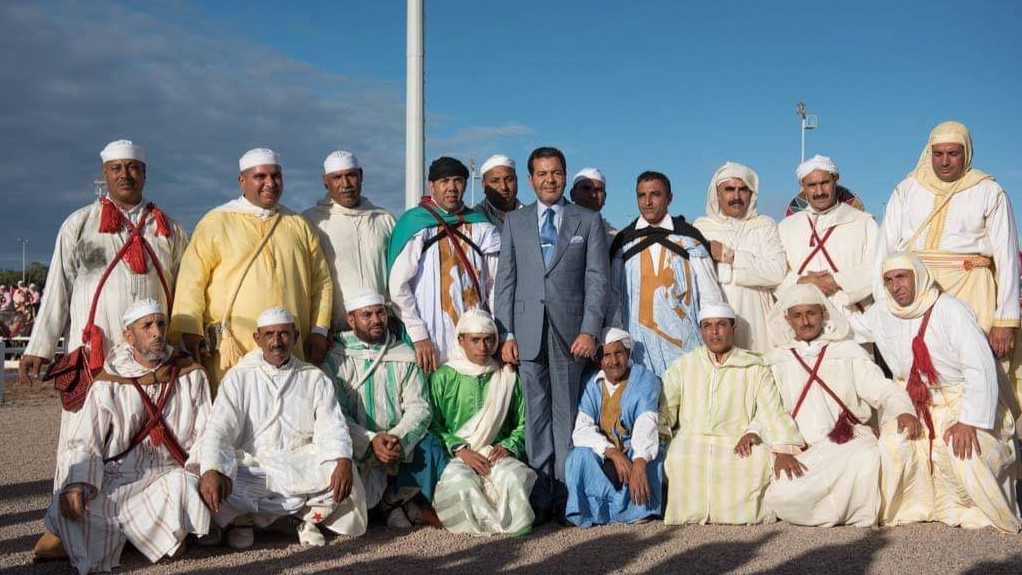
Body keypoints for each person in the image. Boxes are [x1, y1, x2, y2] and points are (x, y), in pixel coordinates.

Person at [21, 140, 189, 560]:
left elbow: (185, 294)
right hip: (96, 352)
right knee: (81, 439)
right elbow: (57, 285)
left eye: (133, 168)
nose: (125, 175)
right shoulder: (79, 224)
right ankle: (63, 525)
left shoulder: (168, 229)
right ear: (104, 173)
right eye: (116, 168)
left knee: (145, 440)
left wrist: (186, 342)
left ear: (145, 173)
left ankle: (147, 522)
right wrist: (40, 345)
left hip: (150, 355)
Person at [852, 252, 1020, 532]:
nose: (896, 286)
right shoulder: (882, 312)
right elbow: (844, 329)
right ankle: (915, 508)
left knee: (963, 450)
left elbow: (980, 368)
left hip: (961, 400)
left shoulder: (951, 310)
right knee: (893, 443)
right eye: (889, 280)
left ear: (918, 276)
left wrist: (968, 420)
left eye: (902, 277)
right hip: (914, 400)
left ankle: (974, 512)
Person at [44, 299, 212, 574]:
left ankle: (150, 534)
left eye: (161, 324)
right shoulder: (109, 381)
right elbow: (86, 441)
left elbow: (207, 432)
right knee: (68, 506)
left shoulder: (189, 375)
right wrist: (77, 483)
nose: (157, 332)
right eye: (147, 326)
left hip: (170, 474)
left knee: (186, 486)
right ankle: (157, 536)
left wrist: (202, 470)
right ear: (128, 335)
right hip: (120, 478)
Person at [493, 146, 610, 524]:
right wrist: (506, 332)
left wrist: (590, 330)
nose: (549, 179)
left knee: (567, 413)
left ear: (564, 175)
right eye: (541, 173)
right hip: (527, 332)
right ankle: (541, 492)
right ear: (530, 179)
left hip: (571, 334)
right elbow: (505, 282)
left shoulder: (587, 221)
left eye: (556, 173)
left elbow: (597, 281)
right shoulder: (516, 222)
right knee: (537, 413)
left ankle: (566, 491)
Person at [874, 121, 1020, 415]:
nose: (944, 161)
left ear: (967, 153)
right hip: (914, 292)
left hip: (972, 288)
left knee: (978, 366)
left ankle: (983, 445)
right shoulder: (907, 188)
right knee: (920, 367)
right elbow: (885, 250)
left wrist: (1005, 320)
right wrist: (883, 304)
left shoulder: (989, 191)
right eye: (937, 153)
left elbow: (1006, 256)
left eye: (953, 153)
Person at [198, 307, 367, 548]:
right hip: (256, 466)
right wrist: (213, 469)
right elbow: (219, 428)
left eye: (284, 334)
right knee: (213, 478)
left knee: (342, 473)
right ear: (258, 338)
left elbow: (333, 426)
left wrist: (341, 460)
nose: (276, 342)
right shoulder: (239, 378)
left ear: (295, 336)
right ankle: (244, 521)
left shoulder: (314, 377)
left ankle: (305, 519)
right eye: (269, 335)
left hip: (300, 463)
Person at [171, 148, 333, 390]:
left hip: (290, 348)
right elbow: (191, 280)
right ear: (242, 181)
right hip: (235, 348)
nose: (270, 183)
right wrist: (190, 329)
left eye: (276, 176)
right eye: (260, 177)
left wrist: (320, 330)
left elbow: (322, 281)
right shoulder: (216, 221)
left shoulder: (298, 224)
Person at [763, 284, 918, 527]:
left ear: (823, 313)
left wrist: (903, 410)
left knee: (867, 457)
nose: (805, 322)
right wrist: (780, 448)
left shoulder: (847, 351)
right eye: (797, 315)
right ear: (787, 319)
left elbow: (882, 389)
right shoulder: (777, 359)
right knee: (781, 493)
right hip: (804, 449)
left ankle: (848, 514)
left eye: (811, 313)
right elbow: (768, 410)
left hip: (848, 443)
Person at [660, 302, 804, 525]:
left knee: (754, 461)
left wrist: (771, 441)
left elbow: (771, 409)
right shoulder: (684, 365)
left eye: (721, 325)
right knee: (678, 457)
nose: (714, 331)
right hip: (692, 438)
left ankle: (737, 517)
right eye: (707, 326)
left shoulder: (754, 366)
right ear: (701, 331)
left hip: (736, 439)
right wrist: (656, 432)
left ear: (733, 329)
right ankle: (691, 514)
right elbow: (666, 408)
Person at [322, 289, 443, 528]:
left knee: (430, 448)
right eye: (367, 315)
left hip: (396, 447)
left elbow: (420, 407)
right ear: (351, 320)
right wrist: (370, 441)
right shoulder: (336, 359)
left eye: (381, 313)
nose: (376, 320)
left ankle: (393, 501)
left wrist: (396, 438)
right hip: (357, 446)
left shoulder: (404, 355)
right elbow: (333, 413)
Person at [387, 156, 500, 372]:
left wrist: (496, 331)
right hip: (430, 337)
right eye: (444, 181)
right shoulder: (415, 224)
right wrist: (418, 334)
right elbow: (398, 286)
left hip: (475, 339)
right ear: (432, 185)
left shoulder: (482, 226)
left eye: (458, 181)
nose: (451, 188)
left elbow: (494, 285)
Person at [429, 310, 534, 535]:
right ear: (460, 340)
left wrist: (509, 445)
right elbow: (432, 424)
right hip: (459, 455)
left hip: (496, 453)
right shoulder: (443, 377)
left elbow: (524, 421)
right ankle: (484, 526)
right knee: (461, 485)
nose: (483, 347)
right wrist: (459, 449)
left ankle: (511, 526)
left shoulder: (507, 375)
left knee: (514, 478)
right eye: (475, 340)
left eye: (489, 340)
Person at [609, 170, 723, 375]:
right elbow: (614, 297)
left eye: (655, 194)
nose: (648, 202)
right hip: (639, 347)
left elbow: (709, 293)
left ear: (669, 198)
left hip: (684, 343)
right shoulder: (624, 242)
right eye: (642, 195)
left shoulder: (689, 238)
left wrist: (714, 336)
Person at [564, 328, 663, 527]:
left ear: (627, 354)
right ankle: (590, 511)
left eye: (618, 353)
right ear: (599, 361)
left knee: (649, 455)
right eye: (606, 356)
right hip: (606, 452)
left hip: (634, 447)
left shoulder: (645, 380)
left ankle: (638, 509)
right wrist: (613, 453)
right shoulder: (591, 383)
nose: (613, 361)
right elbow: (582, 429)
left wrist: (639, 462)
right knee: (578, 456)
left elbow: (646, 424)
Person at [693, 162, 787, 354]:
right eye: (729, 189)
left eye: (743, 189)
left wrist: (730, 257)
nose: (736, 196)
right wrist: (752, 267)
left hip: (757, 318)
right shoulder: (702, 228)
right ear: (718, 194)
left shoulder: (764, 225)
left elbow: (776, 272)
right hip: (715, 319)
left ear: (752, 193)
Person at [778, 155, 877, 326]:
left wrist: (836, 281)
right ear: (802, 186)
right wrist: (802, 281)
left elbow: (878, 266)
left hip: (850, 318)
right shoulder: (786, 227)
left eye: (824, 183)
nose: (819, 192)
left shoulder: (864, 222)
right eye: (812, 185)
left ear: (835, 179)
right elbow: (776, 275)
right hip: (803, 322)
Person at [303, 151, 396, 333]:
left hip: (380, 330)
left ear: (360, 175)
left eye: (351, 175)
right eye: (337, 177)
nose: (345, 184)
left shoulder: (383, 220)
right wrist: (319, 329)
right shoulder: (312, 221)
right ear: (325, 180)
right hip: (333, 333)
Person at [473, 154, 523, 228]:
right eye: (495, 181)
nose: (503, 187)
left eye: (509, 180)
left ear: (516, 180)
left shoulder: (532, 215)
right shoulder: (474, 219)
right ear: (483, 185)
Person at [569, 167, 616, 237]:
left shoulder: (615, 238)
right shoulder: (558, 228)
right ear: (573, 194)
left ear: (604, 197)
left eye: (598, 190)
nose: (593, 195)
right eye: (586, 189)